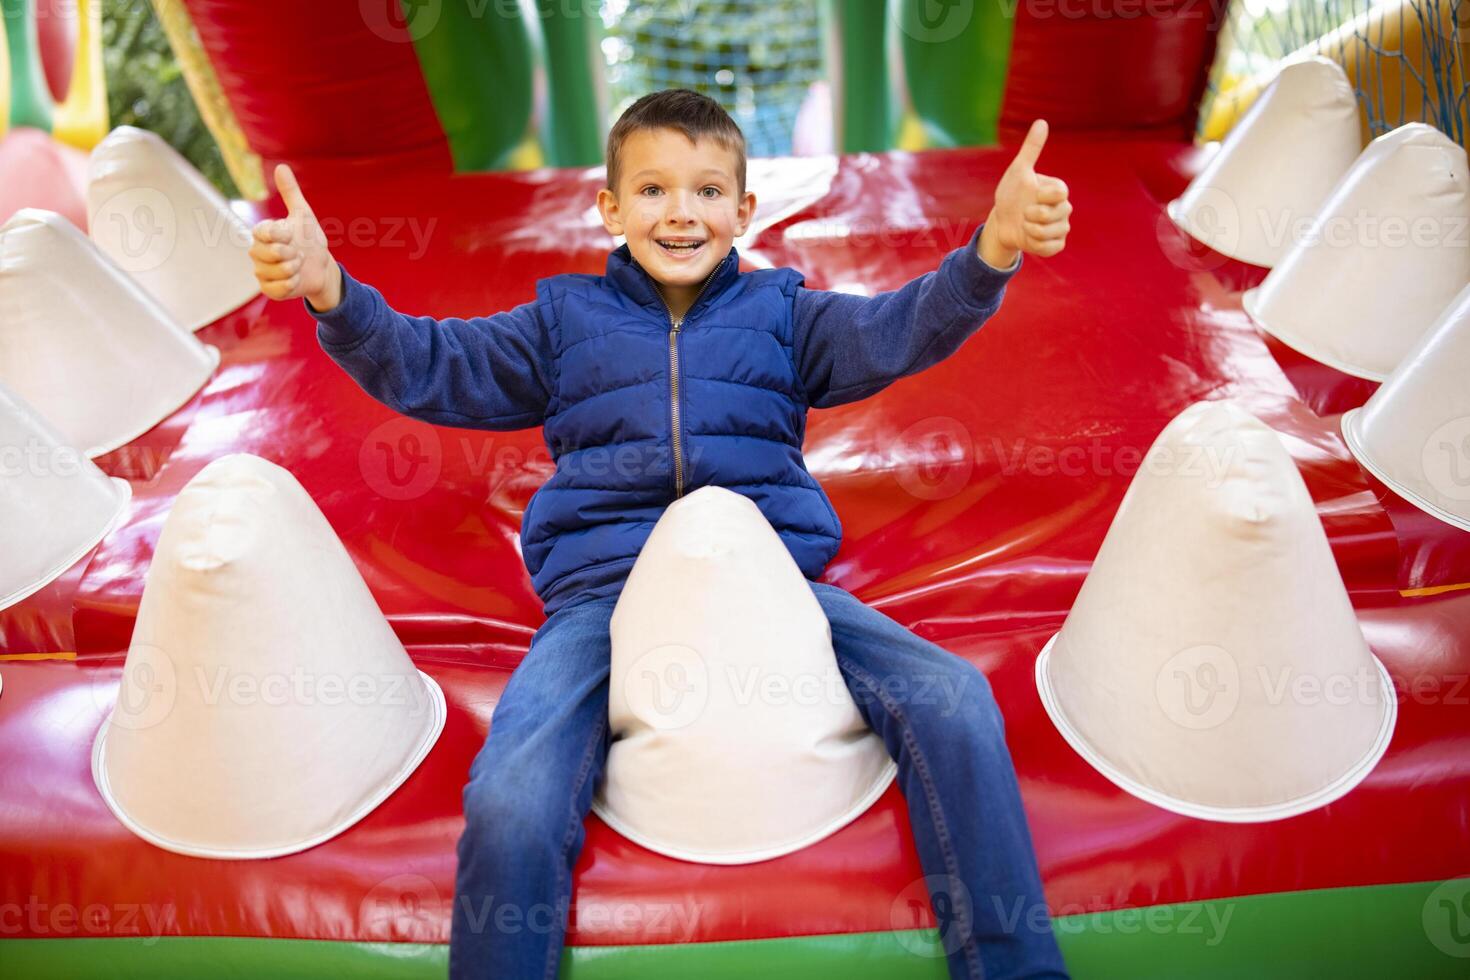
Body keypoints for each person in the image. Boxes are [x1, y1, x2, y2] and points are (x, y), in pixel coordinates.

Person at [250, 88, 1072, 980]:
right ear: (608, 207)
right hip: (605, 596)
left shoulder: (783, 317)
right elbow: (434, 365)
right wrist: (333, 292)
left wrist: (991, 250)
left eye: (708, 191)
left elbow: (898, 328)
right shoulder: (563, 326)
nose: (681, 212)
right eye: (651, 190)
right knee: (513, 795)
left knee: (953, 699)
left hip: (773, 588)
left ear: (745, 210)